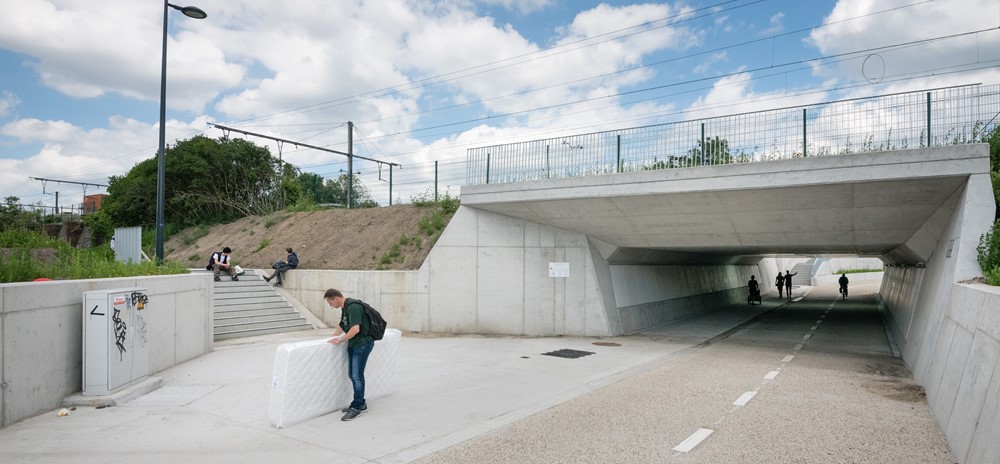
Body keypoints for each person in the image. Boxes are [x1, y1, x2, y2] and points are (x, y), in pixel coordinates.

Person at [325, 289, 374, 421]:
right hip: (354, 344)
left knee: (357, 376)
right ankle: (361, 403)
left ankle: (357, 407)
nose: (330, 305)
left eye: (330, 302)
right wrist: (330, 338)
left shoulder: (353, 307)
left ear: (335, 298)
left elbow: (355, 329)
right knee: (352, 375)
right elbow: (343, 325)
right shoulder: (345, 307)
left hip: (362, 344)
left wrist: (340, 340)